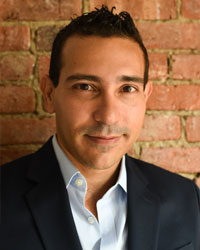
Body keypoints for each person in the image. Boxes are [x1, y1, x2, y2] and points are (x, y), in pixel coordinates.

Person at [0, 6, 199, 250]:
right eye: (85, 87)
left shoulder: (186, 199)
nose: (108, 116)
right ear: (49, 93)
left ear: (146, 96)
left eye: (127, 88)